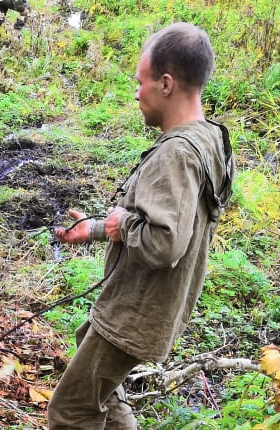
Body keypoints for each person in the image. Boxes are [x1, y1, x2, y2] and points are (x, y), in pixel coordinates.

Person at [48, 22, 235, 429]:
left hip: (137, 309)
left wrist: (121, 222)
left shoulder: (176, 155)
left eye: (141, 81)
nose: (136, 92)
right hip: (155, 306)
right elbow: (166, 217)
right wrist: (98, 228)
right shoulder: (212, 139)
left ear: (166, 84)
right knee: (100, 382)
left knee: (70, 411)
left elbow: (164, 242)